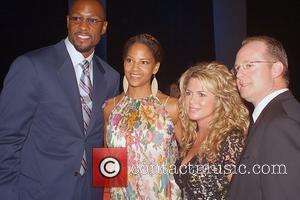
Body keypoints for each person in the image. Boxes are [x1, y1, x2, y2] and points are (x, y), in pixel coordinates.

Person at [0, 0, 120, 199]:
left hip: (89, 192)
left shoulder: (110, 77)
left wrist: (112, 190)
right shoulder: (31, 66)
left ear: (104, 27)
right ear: (67, 21)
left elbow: (104, 142)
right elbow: (7, 139)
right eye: (77, 18)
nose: (83, 26)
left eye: (92, 20)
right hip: (39, 192)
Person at [103, 33, 181, 199]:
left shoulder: (171, 107)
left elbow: (192, 153)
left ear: (156, 67)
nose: (134, 68)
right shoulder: (111, 107)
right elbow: (109, 162)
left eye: (144, 62)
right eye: (130, 60)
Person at [227, 36, 300, 200]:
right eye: (237, 68)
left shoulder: (280, 124)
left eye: (249, 65)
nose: (239, 74)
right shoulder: (273, 116)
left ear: (276, 69)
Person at [173, 62, 249, 199]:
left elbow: (244, 194)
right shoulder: (191, 137)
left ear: (220, 99)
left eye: (201, 94)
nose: (191, 100)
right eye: (189, 93)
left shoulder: (230, 140)